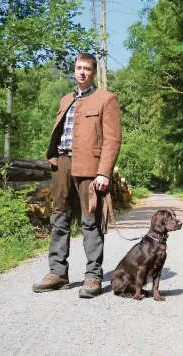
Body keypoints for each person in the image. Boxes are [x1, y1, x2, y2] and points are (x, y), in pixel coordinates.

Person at [32, 53, 122, 298]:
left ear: (93, 72)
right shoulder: (66, 99)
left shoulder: (106, 99)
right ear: (74, 70)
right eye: (78, 68)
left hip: (90, 169)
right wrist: (52, 156)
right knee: (58, 218)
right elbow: (59, 130)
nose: (82, 72)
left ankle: (93, 276)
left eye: (87, 69)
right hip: (62, 164)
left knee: (90, 221)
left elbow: (113, 140)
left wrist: (104, 172)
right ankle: (58, 273)